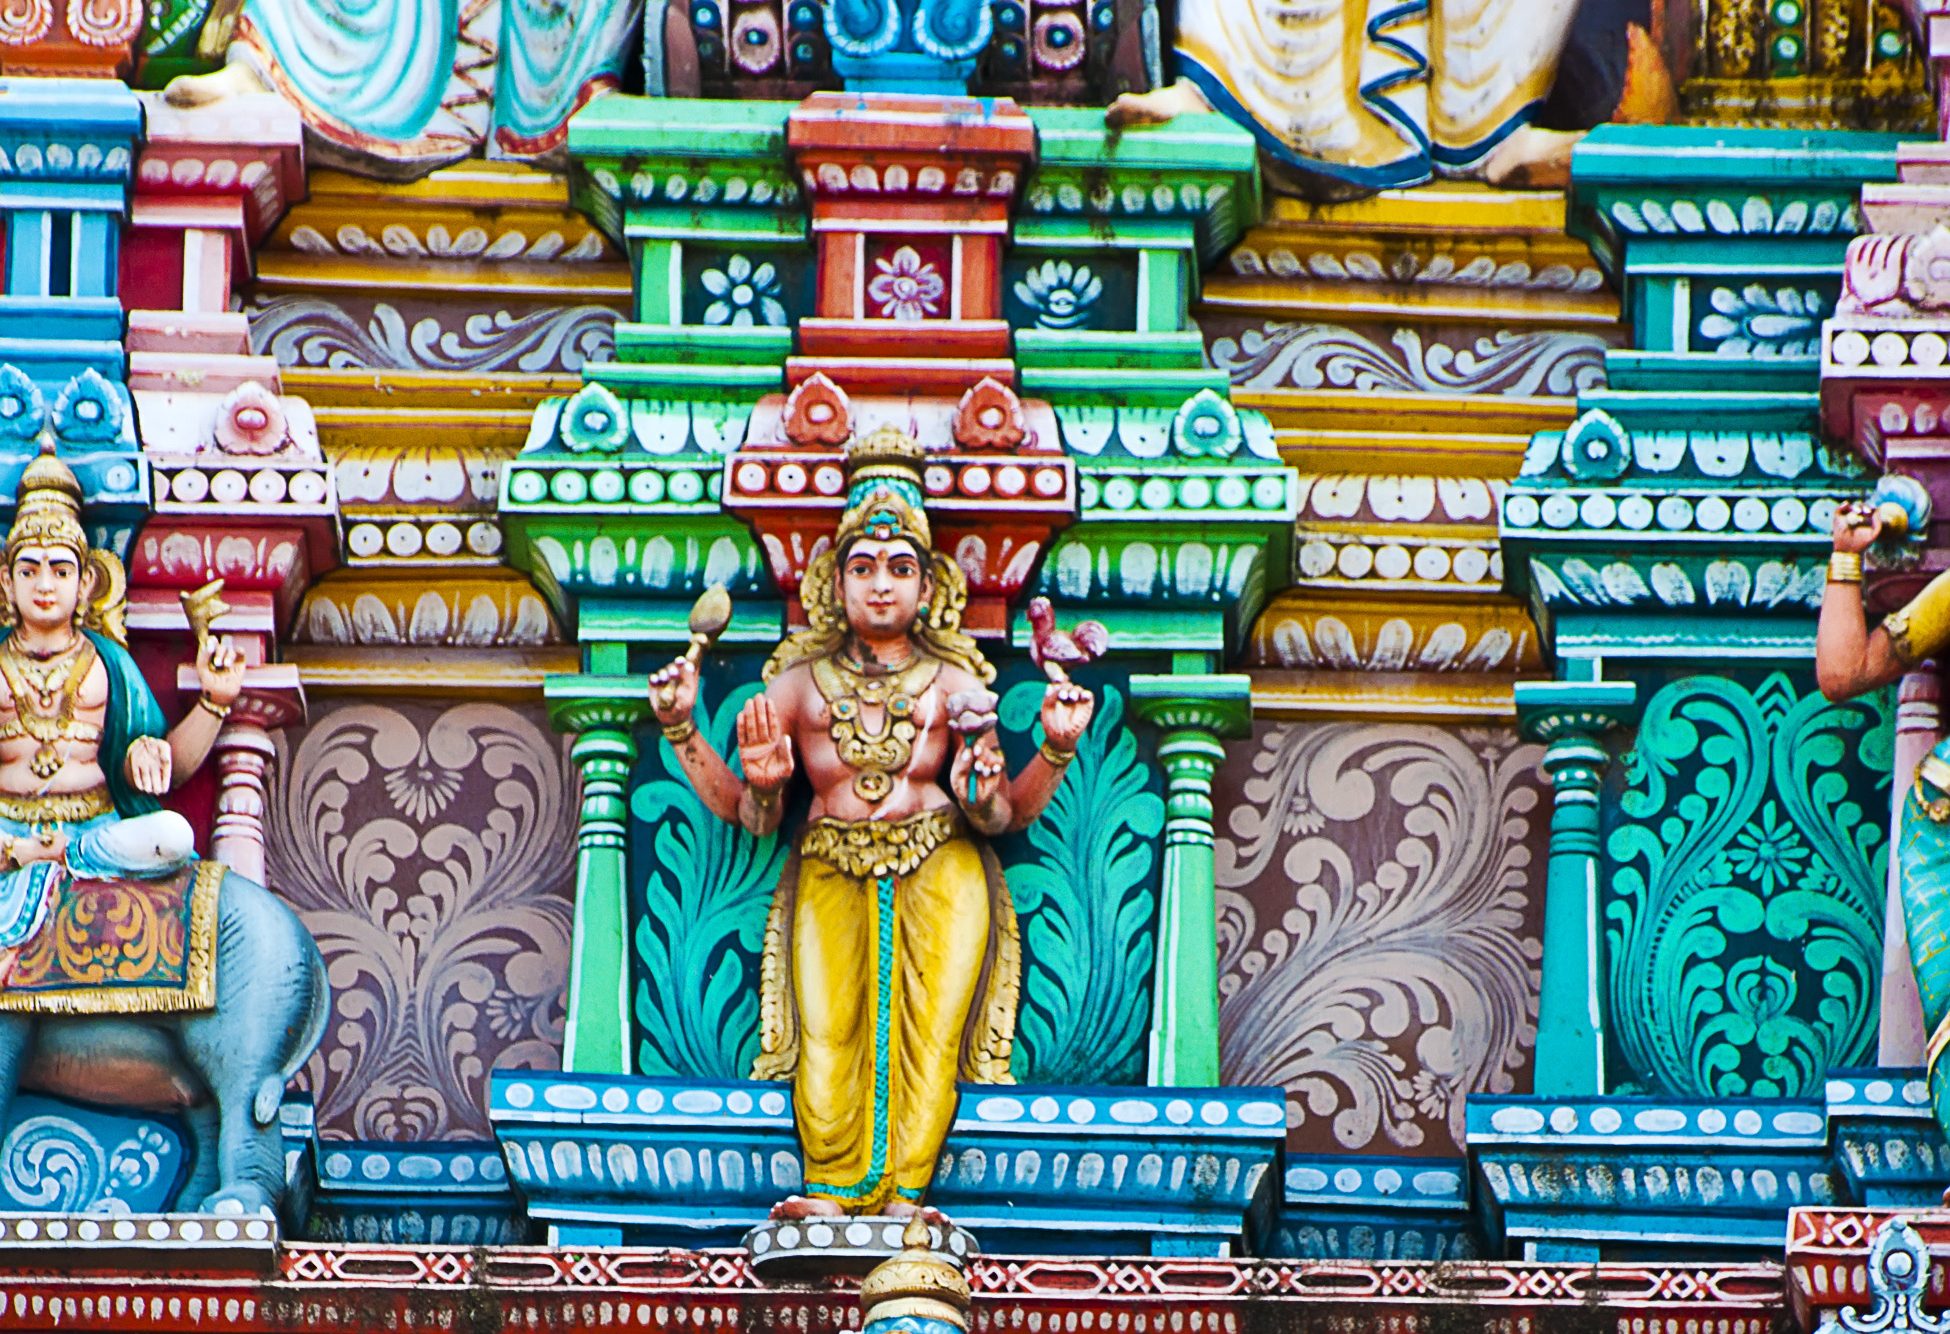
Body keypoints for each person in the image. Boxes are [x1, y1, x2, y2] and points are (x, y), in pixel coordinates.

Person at [647, 427, 1094, 1217]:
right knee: (828, 1031)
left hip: (940, 861)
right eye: (861, 568)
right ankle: (831, 1189)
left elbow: (998, 814)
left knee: (932, 1033)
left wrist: (1052, 749)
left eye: (899, 568)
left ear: (930, 585)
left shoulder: (954, 679)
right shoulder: (797, 682)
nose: (880, 586)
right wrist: (692, 736)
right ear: (834, 581)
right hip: (829, 862)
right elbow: (751, 816)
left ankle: (905, 1197)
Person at [0, 447, 246, 985]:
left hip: (93, 832)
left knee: (174, 834)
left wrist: (214, 701)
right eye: (30, 569)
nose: (45, 585)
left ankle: (63, 854)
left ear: (86, 583)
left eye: (61, 569)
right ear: (7, 582)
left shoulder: (108, 665)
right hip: (5, 835)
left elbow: (171, 770)